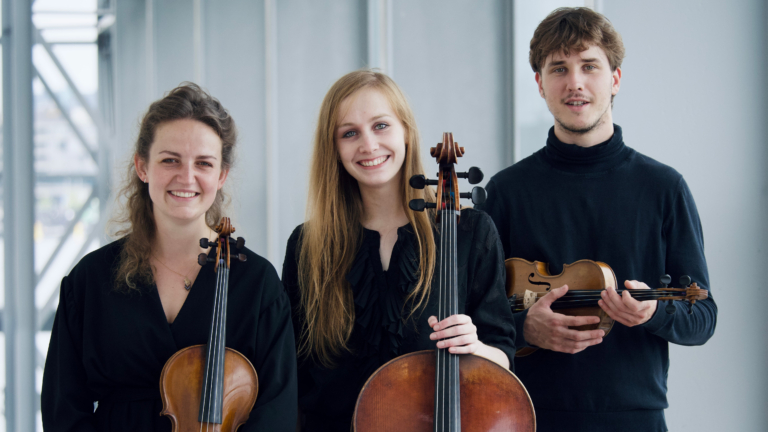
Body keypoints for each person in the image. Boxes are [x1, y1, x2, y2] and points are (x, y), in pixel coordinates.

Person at [477, 7, 717, 432]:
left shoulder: (664, 188)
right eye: (559, 69)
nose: (575, 83)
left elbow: (703, 317)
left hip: (635, 419)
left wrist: (655, 313)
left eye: (589, 66)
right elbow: (469, 311)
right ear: (540, 84)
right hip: (528, 416)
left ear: (615, 79)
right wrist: (523, 328)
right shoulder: (507, 191)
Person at [41, 83, 297, 431]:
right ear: (142, 167)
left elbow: (277, 412)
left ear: (221, 175)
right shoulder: (91, 279)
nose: (186, 177)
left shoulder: (257, 284)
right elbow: (64, 410)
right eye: (170, 160)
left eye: (203, 163)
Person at [281, 70, 516, 431]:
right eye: (349, 133)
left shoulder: (469, 232)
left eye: (380, 126)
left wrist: (476, 346)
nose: (368, 145)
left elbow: (502, 354)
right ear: (334, 147)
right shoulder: (307, 246)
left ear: (405, 131)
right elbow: (293, 376)